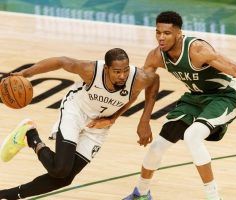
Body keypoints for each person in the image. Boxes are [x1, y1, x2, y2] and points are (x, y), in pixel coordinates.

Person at [123, 11, 236, 200]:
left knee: (192, 136)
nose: (161, 37)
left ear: (178, 33)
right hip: (196, 97)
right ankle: (141, 194)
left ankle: (213, 197)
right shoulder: (155, 56)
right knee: (157, 146)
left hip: (226, 96)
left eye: (166, 33)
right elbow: (148, 84)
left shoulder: (197, 49)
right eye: (158, 32)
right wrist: (144, 120)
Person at [0, 48, 159, 199]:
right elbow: (61, 61)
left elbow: (154, 81)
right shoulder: (90, 70)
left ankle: (7, 195)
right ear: (106, 69)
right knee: (61, 169)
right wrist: (24, 73)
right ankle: (30, 135)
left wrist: (122, 119)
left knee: (64, 179)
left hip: (99, 124)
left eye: (125, 71)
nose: (123, 76)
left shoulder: (138, 78)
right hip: (76, 111)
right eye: (117, 72)